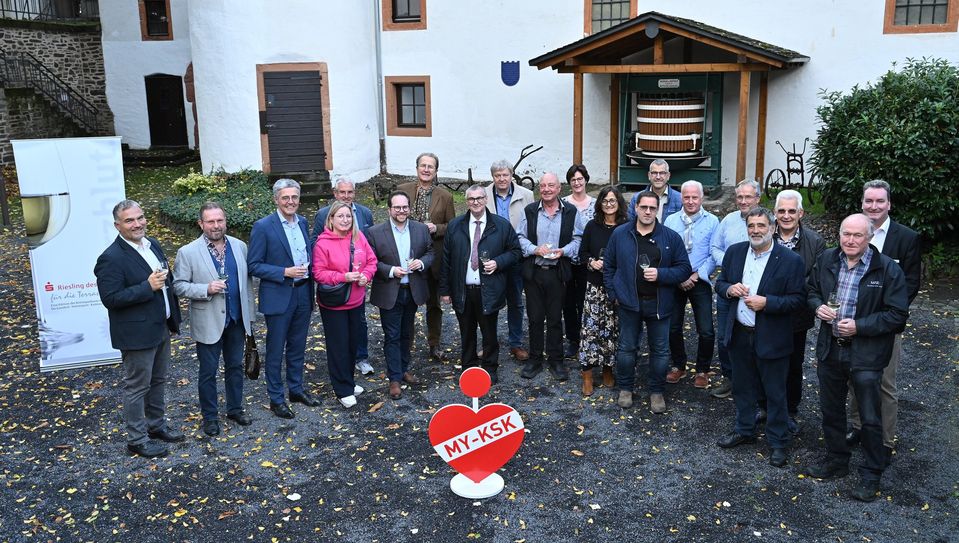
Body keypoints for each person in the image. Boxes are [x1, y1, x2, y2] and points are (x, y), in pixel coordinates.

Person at [806, 213, 908, 502]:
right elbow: (811, 290)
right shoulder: (827, 259)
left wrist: (860, 326)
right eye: (846, 234)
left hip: (867, 353)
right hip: (830, 347)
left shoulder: (886, 268)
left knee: (870, 416)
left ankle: (871, 473)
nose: (850, 240)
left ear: (870, 237)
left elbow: (897, 315)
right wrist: (818, 307)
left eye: (857, 235)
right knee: (831, 409)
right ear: (839, 234)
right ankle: (837, 460)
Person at [714, 207, 805, 468]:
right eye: (751, 226)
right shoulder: (735, 252)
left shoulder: (790, 260)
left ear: (773, 228)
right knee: (742, 387)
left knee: (775, 392)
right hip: (740, 332)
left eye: (761, 225)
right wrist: (729, 289)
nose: (755, 230)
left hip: (772, 336)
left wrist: (768, 303)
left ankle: (778, 441)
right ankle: (745, 430)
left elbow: (798, 300)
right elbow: (720, 283)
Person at [94, 199, 183, 458]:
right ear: (117, 226)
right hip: (136, 335)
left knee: (158, 381)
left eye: (140, 217)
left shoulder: (152, 244)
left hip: (160, 327)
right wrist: (147, 287)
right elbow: (110, 298)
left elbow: (167, 281)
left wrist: (172, 318)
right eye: (129, 220)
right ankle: (137, 440)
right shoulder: (110, 258)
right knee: (136, 387)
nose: (137, 224)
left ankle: (156, 426)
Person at [846, 180, 921, 461]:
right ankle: (857, 427)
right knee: (855, 377)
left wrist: (886, 316)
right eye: (869, 201)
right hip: (852, 323)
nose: (873, 206)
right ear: (862, 203)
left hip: (886, 326)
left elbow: (910, 284)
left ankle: (885, 440)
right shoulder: (853, 232)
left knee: (884, 384)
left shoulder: (907, 238)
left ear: (889, 204)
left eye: (879, 201)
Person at [172, 202, 255, 437]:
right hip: (208, 321)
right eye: (210, 221)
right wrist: (205, 289)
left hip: (236, 320)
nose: (216, 225)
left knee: (235, 367)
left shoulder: (239, 246)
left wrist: (249, 316)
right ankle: (210, 417)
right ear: (201, 224)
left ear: (225, 221)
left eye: (220, 220)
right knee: (208, 372)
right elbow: (178, 286)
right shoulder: (188, 252)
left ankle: (235, 409)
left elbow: (247, 284)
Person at [604, 191, 691, 413]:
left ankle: (656, 391)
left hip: (659, 303)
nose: (648, 212)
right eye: (644, 207)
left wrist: (661, 274)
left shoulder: (670, 237)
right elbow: (609, 266)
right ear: (636, 208)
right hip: (629, 302)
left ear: (657, 210)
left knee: (660, 350)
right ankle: (625, 388)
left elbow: (684, 269)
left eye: (653, 208)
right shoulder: (620, 234)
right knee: (627, 348)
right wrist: (614, 294)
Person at [756, 190, 825, 432]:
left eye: (791, 211)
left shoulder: (815, 242)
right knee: (763, 360)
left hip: (796, 315)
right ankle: (763, 405)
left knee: (793, 364)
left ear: (801, 213)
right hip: (764, 312)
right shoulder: (764, 235)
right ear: (774, 213)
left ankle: (789, 410)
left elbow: (816, 280)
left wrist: (782, 292)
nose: (786, 216)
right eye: (781, 211)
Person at [248, 179, 317, 419]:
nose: (290, 202)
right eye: (285, 197)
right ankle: (276, 398)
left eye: (294, 197)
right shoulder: (263, 226)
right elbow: (253, 265)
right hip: (279, 294)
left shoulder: (303, 222)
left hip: (303, 292)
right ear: (276, 199)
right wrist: (283, 272)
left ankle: (296, 389)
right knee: (276, 349)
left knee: (298, 345)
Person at [440, 185, 521, 384]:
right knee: (466, 332)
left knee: (489, 333)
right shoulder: (455, 226)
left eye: (479, 198)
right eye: (471, 199)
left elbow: (516, 252)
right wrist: (445, 290)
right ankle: (468, 368)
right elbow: (446, 260)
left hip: (489, 289)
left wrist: (498, 262)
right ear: (466, 201)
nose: (475, 202)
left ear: (486, 200)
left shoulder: (501, 225)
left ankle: (490, 368)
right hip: (463, 290)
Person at [517, 173, 585, 382]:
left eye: (551, 185)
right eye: (543, 185)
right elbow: (519, 237)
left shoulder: (570, 211)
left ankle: (556, 361)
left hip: (558, 272)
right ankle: (535, 359)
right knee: (535, 318)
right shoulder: (530, 210)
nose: (546, 189)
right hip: (534, 272)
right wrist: (534, 249)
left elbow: (578, 239)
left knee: (555, 318)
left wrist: (563, 251)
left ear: (559, 188)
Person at [366, 191, 434, 400]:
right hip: (389, 291)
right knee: (392, 335)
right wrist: (390, 270)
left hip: (412, 290)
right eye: (397, 207)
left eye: (404, 207)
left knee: (407, 333)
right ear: (389, 209)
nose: (401, 211)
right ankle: (394, 378)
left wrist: (421, 263)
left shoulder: (421, 229)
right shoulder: (375, 232)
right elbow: (371, 261)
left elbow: (431, 253)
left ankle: (403, 369)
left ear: (409, 208)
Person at [312, 201, 378, 408]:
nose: (345, 220)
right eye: (340, 216)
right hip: (335, 304)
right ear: (331, 219)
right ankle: (342, 389)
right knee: (338, 346)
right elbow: (318, 273)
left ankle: (348, 380)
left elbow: (372, 261)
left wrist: (366, 276)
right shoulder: (323, 243)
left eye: (348, 216)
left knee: (352, 343)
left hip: (356, 300)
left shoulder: (358, 238)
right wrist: (343, 277)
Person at [398, 153, 455, 361]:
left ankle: (434, 344)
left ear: (436, 171)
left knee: (434, 305)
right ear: (417, 168)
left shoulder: (445, 196)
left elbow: (452, 226)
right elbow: (393, 216)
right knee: (407, 303)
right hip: (406, 255)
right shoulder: (402, 190)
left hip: (433, 258)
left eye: (431, 166)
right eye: (423, 165)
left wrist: (436, 228)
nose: (426, 169)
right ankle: (406, 345)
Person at [663, 180, 719, 388]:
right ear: (681, 198)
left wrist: (696, 276)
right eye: (686, 197)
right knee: (672, 327)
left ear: (702, 198)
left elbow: (713, 253)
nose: (691, 201)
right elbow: (665, 250)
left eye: (695, 197)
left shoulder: (712, 221)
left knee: (706, 329)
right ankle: (678, 365)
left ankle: (703, 369)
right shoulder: (671, 221)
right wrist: (678, 276)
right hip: (675, 280)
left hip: (699, 278)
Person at [708, 179, 761, 398]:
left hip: (756, 290)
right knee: (725, 337)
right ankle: (730, 378)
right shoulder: (729, 220)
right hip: (729, 285)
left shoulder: (766, 222)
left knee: (755, 338)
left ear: (758, 198)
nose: (743, 201)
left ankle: (755, 383)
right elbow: (715, 247)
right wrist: (732, 263)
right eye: (740, 196)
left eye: (748, 197)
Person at [577, 186, 626, 395]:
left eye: (612, 200)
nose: (609, 204)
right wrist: (591, 262)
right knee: (590, 331)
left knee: (612, 330)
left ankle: (607, 369)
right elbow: (582, 252)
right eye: (605, 201)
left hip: (616, 286)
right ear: (600, 204)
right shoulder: (592, 226)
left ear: (619, 203)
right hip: (595, 286)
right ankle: (587, 375)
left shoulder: (626, 227)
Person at [485, 160, 535, 361]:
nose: (502, 179)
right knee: (490, 301)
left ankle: (516, 343)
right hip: (492, 256)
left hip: (516, 255)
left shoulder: (527, 195)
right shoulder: (484, 194)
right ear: (492, 177)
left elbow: (532, 224)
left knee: (515, 301)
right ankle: (489, 344)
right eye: (497, 175)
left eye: (505, 175)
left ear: (512, 175)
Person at [561, 164, 596, 360]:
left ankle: (587, 337)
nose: (577, 182)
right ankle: (573, 340)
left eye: (580, 179)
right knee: (568, 302)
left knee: (585, 301)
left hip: (587, 261)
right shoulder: (563, 203)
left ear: (586, 180)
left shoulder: (595, 204)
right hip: (567, 259)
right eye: (573, 179)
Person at [626, 159, 682, 223]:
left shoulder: (679, 199)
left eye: (662, 173)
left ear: (668, 176)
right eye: (654, 173)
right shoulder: (636, 198)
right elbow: (630, 223)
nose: (658, 177)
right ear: (649, 175)